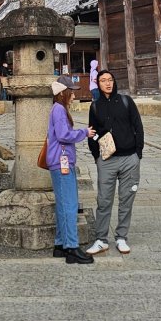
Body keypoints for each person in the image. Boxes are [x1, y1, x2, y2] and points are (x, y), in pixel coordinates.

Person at [85, 69, 144, 256]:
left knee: (126, 199)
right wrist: (97, 157)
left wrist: (138, 153)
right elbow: (91, 133)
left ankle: (121, 237)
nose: (108, 83)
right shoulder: (95, 106)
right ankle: (101, 239)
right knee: (103, 200)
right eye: (103, 80)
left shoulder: (126, 101)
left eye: (110, 80)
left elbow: (138, 126)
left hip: (129, 158)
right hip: (107, 161)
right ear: (98, 84)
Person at [47, 80, 96, 264]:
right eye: (71, 92)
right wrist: (84, 133)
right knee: (69, 204)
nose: (74, 95)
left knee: (63, 204)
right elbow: (63, 135)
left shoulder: (57, 109)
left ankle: (60, 244)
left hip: (59, 162)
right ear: (62, 93)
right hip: (61, 162)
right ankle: (71, 247)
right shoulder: (59, 110)